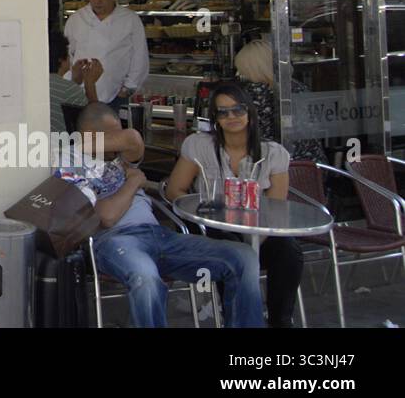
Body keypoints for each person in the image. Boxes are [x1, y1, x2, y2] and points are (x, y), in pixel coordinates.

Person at [63, 102, 265, 327]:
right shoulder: (72, 166)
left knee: (244, 256)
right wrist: (133, 181)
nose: (119, 139)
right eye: (113, 133)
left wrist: (91, 142)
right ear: (91, 133)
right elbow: (107, 216)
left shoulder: (122, 158)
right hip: (115, 240)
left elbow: (133, 139)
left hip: (160, 236)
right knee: (146, 278)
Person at [166, 82, 303, 327]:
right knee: (231, 251)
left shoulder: (274, 153)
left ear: (249, 112)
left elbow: (276, 207)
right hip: (211, 227)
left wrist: (253, 242)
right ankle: (238, 319)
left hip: (257, 231)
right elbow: (175, 190)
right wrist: (201, 209)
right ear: (215, 119)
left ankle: (280, 321)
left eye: (238, 109)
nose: (232, 117)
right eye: (223, 112)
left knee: (289, 250)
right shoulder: (199, 145)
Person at [63, 0, 149, 119]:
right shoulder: (76, 19)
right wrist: (72, 82)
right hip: (80, 96)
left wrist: (128, 88)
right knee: (84, 141)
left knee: (110, 141)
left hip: (115, 97)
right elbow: (67, 56)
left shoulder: (130, 19)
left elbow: (140, 56)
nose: (97, 1)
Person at [233, 39, 327, 163]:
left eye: (242, 69)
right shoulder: (298, 87)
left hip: (274, 168)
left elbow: (251, 135)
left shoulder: (255, 93)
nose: (240, 73)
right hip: (313, 166)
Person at [48, 30, 99, 136]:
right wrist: (90, 83)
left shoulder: (40, 83)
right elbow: (96, 123)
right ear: (61, 59)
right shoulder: (68, 89)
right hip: (64, 148)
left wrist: (75, 81)